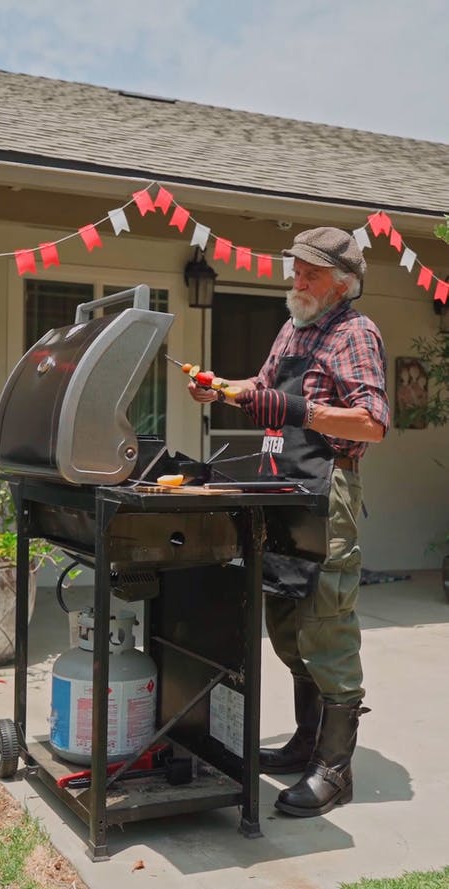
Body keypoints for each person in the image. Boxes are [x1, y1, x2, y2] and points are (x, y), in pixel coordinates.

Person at [188, 227, 390, 818]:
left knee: (325, 622)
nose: (296, 280)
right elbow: (263, 389)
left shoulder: (356, 333)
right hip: (279, 485)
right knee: (285, 619)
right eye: (295, 269)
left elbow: (372, 423)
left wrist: (298, 408)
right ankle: (306, 741)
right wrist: (221, 389)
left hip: (327, 491)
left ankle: (335, 767)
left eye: (310, 273)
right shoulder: (293, 328)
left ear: (342, 284)